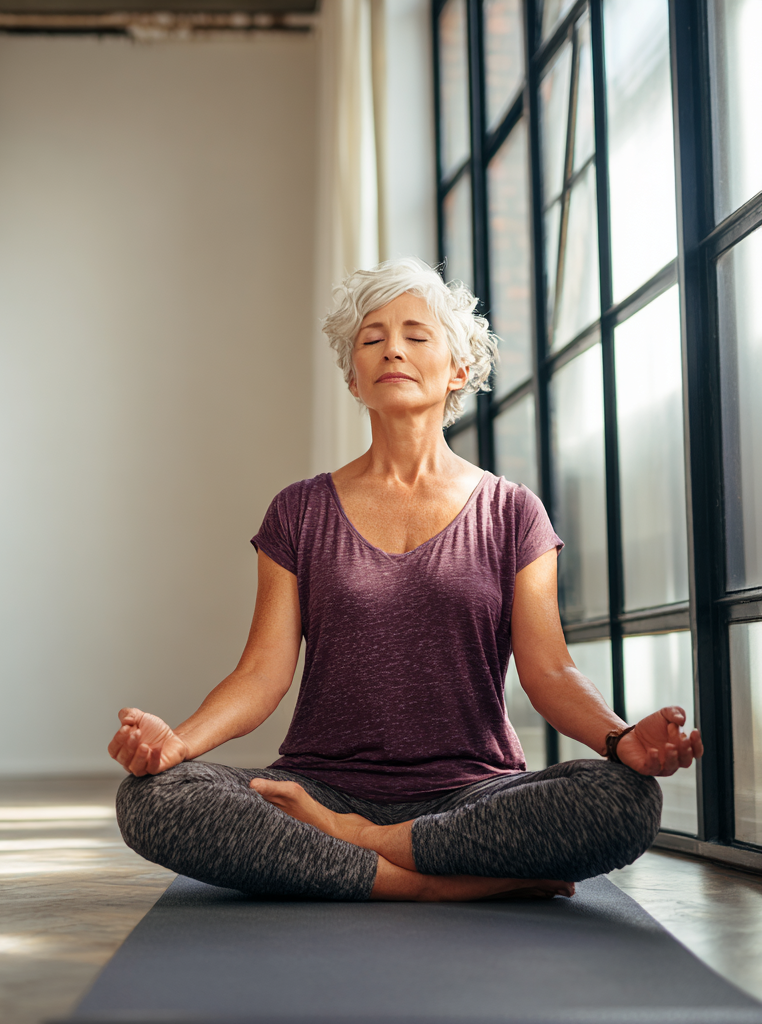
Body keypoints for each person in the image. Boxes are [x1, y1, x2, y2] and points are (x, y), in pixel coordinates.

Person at [108, 257, 704, 903]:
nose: (393, 347)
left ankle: (352, 846)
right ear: (355, 379)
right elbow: (262, 674)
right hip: (319, 784)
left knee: (626, 800)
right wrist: (177, 744)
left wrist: (622, 740)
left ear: (458, 370)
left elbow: (550, 673)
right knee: (153, 799)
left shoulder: (511, 511)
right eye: (372, 338)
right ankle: (438, 885)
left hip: (472, 792)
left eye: (416, 335)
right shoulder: (298, 510)